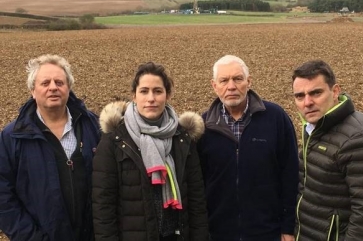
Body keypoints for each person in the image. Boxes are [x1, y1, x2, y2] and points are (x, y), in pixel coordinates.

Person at [92, 61, 209, 241]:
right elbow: (103, 205)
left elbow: (196, 201)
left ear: (167, 95)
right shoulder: (115, 140)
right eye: (144, 91)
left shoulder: (182, 139)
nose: (151, 98)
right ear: (134, 95)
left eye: (158, 91)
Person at [197, 55, 299, 241]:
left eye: (238, 79)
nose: (231, 86)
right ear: (214, 86)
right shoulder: (203, 127)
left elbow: (290, 175)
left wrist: (288, 227)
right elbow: (197, 185)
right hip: (218, 233)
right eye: (224, 80)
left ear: (248, 81)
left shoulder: (275, 118)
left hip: (267, 232)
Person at [0, 54, 101, 241]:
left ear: (68, 88)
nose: (53, 87)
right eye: (45, 83)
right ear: (33, 90)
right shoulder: (12, 137)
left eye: (59, 82)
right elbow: (3, 196)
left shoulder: (93, 126)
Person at [292, 60, 363, 241]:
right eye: (300, 96)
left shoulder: (359, 137)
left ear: (335, 91)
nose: (307, 102)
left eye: (316, 93)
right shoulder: (314, 128)